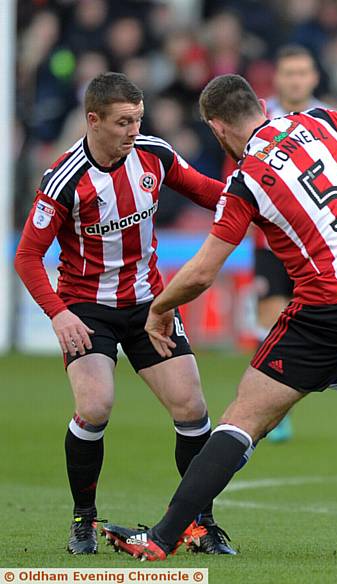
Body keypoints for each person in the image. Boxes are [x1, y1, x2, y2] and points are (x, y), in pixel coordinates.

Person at [101, 73, 337, 561]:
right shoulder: (313, 122)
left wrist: (160, 308)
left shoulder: (246, 179)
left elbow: (204, 271)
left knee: (243, 417)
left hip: (329, 306)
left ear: (217, 128)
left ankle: (162, 538)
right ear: (259, 104)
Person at [14, 72, 236, 555]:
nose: (134, 129)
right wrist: (58, 313)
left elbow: (208, 192)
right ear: (93, 120)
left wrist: (261, 199)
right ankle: (83, 522)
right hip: (86, 308)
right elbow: (27, 256)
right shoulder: (63, 180)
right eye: (123, 122)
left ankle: (201, 523)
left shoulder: (153, 155)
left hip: (149, 305)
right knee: (95, 407)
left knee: (192, 408)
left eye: (138, 118)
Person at [258, 45, 330, 443]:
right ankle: (277, 410)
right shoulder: (259, 117)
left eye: (303, 72)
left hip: (316, 241)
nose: (296, 80)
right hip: (270, 238)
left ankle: (290, 394)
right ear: (278, 78)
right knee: (272, 320)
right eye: (289, 73)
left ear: (313, 77)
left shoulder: (327, 119)